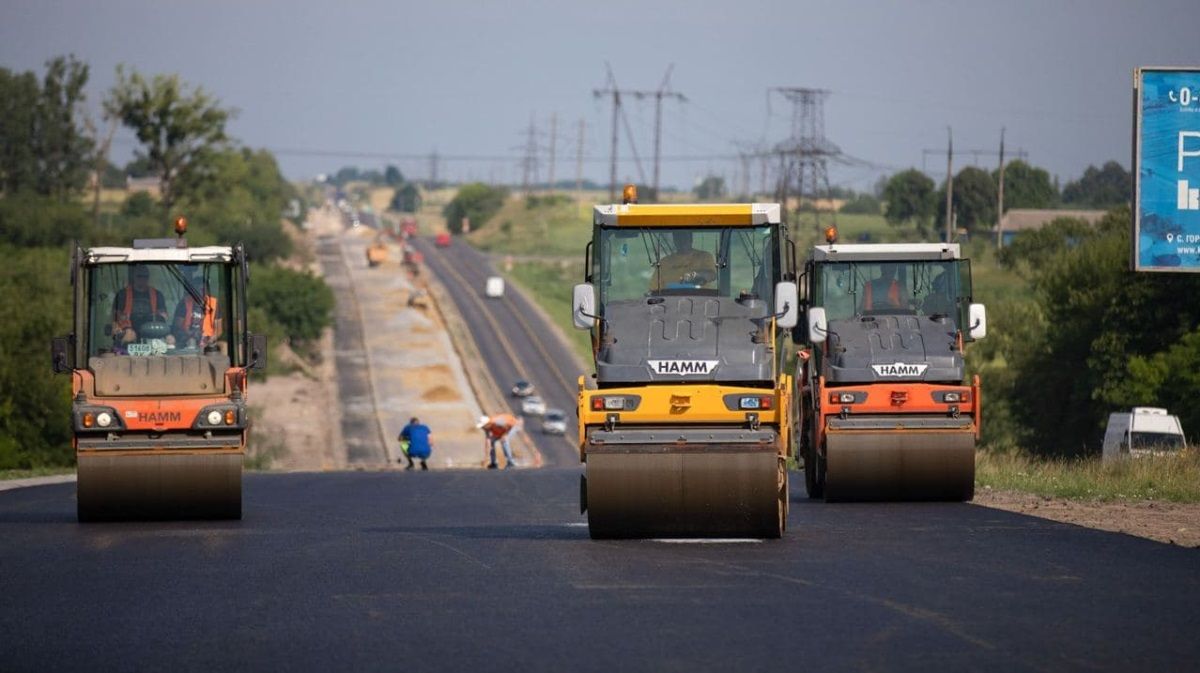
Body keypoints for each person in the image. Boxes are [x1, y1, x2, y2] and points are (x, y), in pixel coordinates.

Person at [112, 265, 168, 347]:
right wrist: (125, 328)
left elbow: (163, 317)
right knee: (129, 336)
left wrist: (159, 319)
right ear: (134, 277)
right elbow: (116, 316)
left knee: (170, 339)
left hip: (151, 330)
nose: (142, 279)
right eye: (139, 276)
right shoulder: (122, 294)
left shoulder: (157, 295)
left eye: (145, 276)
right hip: (129, 328)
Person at [172, 265, 223, 350]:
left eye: (203, 289)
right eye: (198, 289)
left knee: (224, 346)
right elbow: (177, 326)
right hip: (186, 339)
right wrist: (189, 336)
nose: (201, 291)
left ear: (207, 289)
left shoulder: (214, 303)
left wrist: (211, 339)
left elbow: (219, 329)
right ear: (193, 290)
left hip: (207, 341)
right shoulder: (184, 303)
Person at [651, 231, 717, 291]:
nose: (682, 241)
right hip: (671, 301)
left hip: (700, 300)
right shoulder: (664, 262)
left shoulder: (704, 256)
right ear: (674, 240)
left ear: (691, 239)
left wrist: (696, 275)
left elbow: (712, 275)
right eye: (678, 238)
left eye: (685, 238)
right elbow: (654, 289)